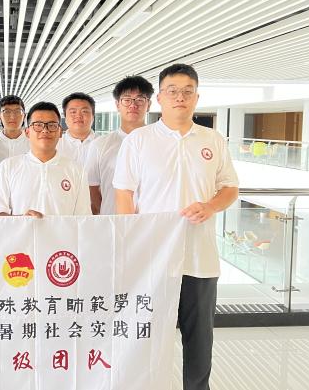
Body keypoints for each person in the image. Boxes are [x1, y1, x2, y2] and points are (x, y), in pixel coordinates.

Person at [113, 64, 239, 390]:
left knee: (199, 340)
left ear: (197, 97)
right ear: (160, 98)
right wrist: (133, 245)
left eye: (187, 91)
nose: (180, 97)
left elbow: (230, 188)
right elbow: (123, 193)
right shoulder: (139, 140)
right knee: (144, 336)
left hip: (200, 258)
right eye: (172, 91)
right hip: (152, 258)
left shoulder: (213, 140)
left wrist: (210, 206)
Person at [0, 101, 91, 217]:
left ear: (60, 132)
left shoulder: (77, 170)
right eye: (38, 125)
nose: (45, 130)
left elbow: (83, 219)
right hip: (21, 230)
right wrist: (22, 220)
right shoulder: (7, 167)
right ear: (27, 132)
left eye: (52, 125)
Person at [85, 75, 153, 215]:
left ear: (149, 105)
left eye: (140, 100)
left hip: (150, 222)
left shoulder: (159, 143)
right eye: (127, 100)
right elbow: (93, 192)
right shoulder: (99, 145)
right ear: (117, 105)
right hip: (111, 222)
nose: (133, 105)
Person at [0, 94, 29, 163]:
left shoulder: (33, 144)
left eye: (17, 111)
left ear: (24, 116)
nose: (12, 117)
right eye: (7, 112)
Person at [57, 92, 97, 166]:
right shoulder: (55, 145)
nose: (78, 116)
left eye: (84, 111)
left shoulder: (104, 144)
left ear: (93, 117)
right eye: (73, 112)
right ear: (65, 118)